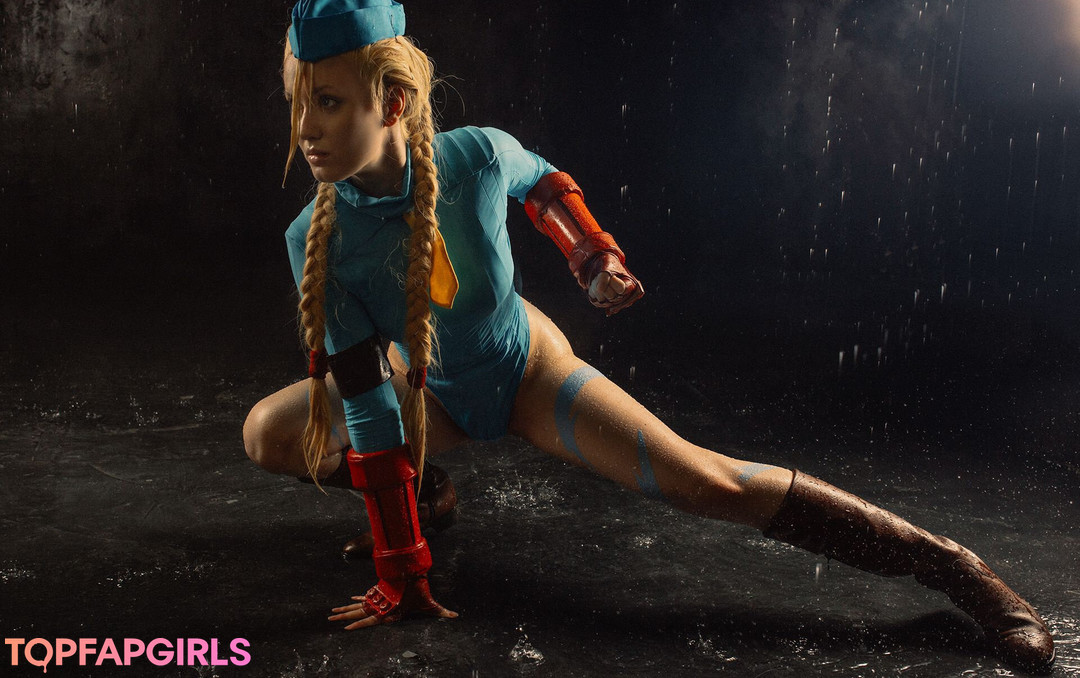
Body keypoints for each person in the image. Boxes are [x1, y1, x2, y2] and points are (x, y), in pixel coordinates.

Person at [242, 0, 1055, 672]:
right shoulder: (312, 238)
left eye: (329, 102)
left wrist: (594, 259)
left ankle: (954, 569)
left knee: (707, 482)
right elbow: (368, 406)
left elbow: (543, 183)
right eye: (297, 102)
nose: (304, 128)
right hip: (428, 394)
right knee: (270, 434)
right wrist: (402, 568)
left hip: (524, 372)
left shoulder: (476, 158)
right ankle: (429, 496)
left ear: (392, 102)